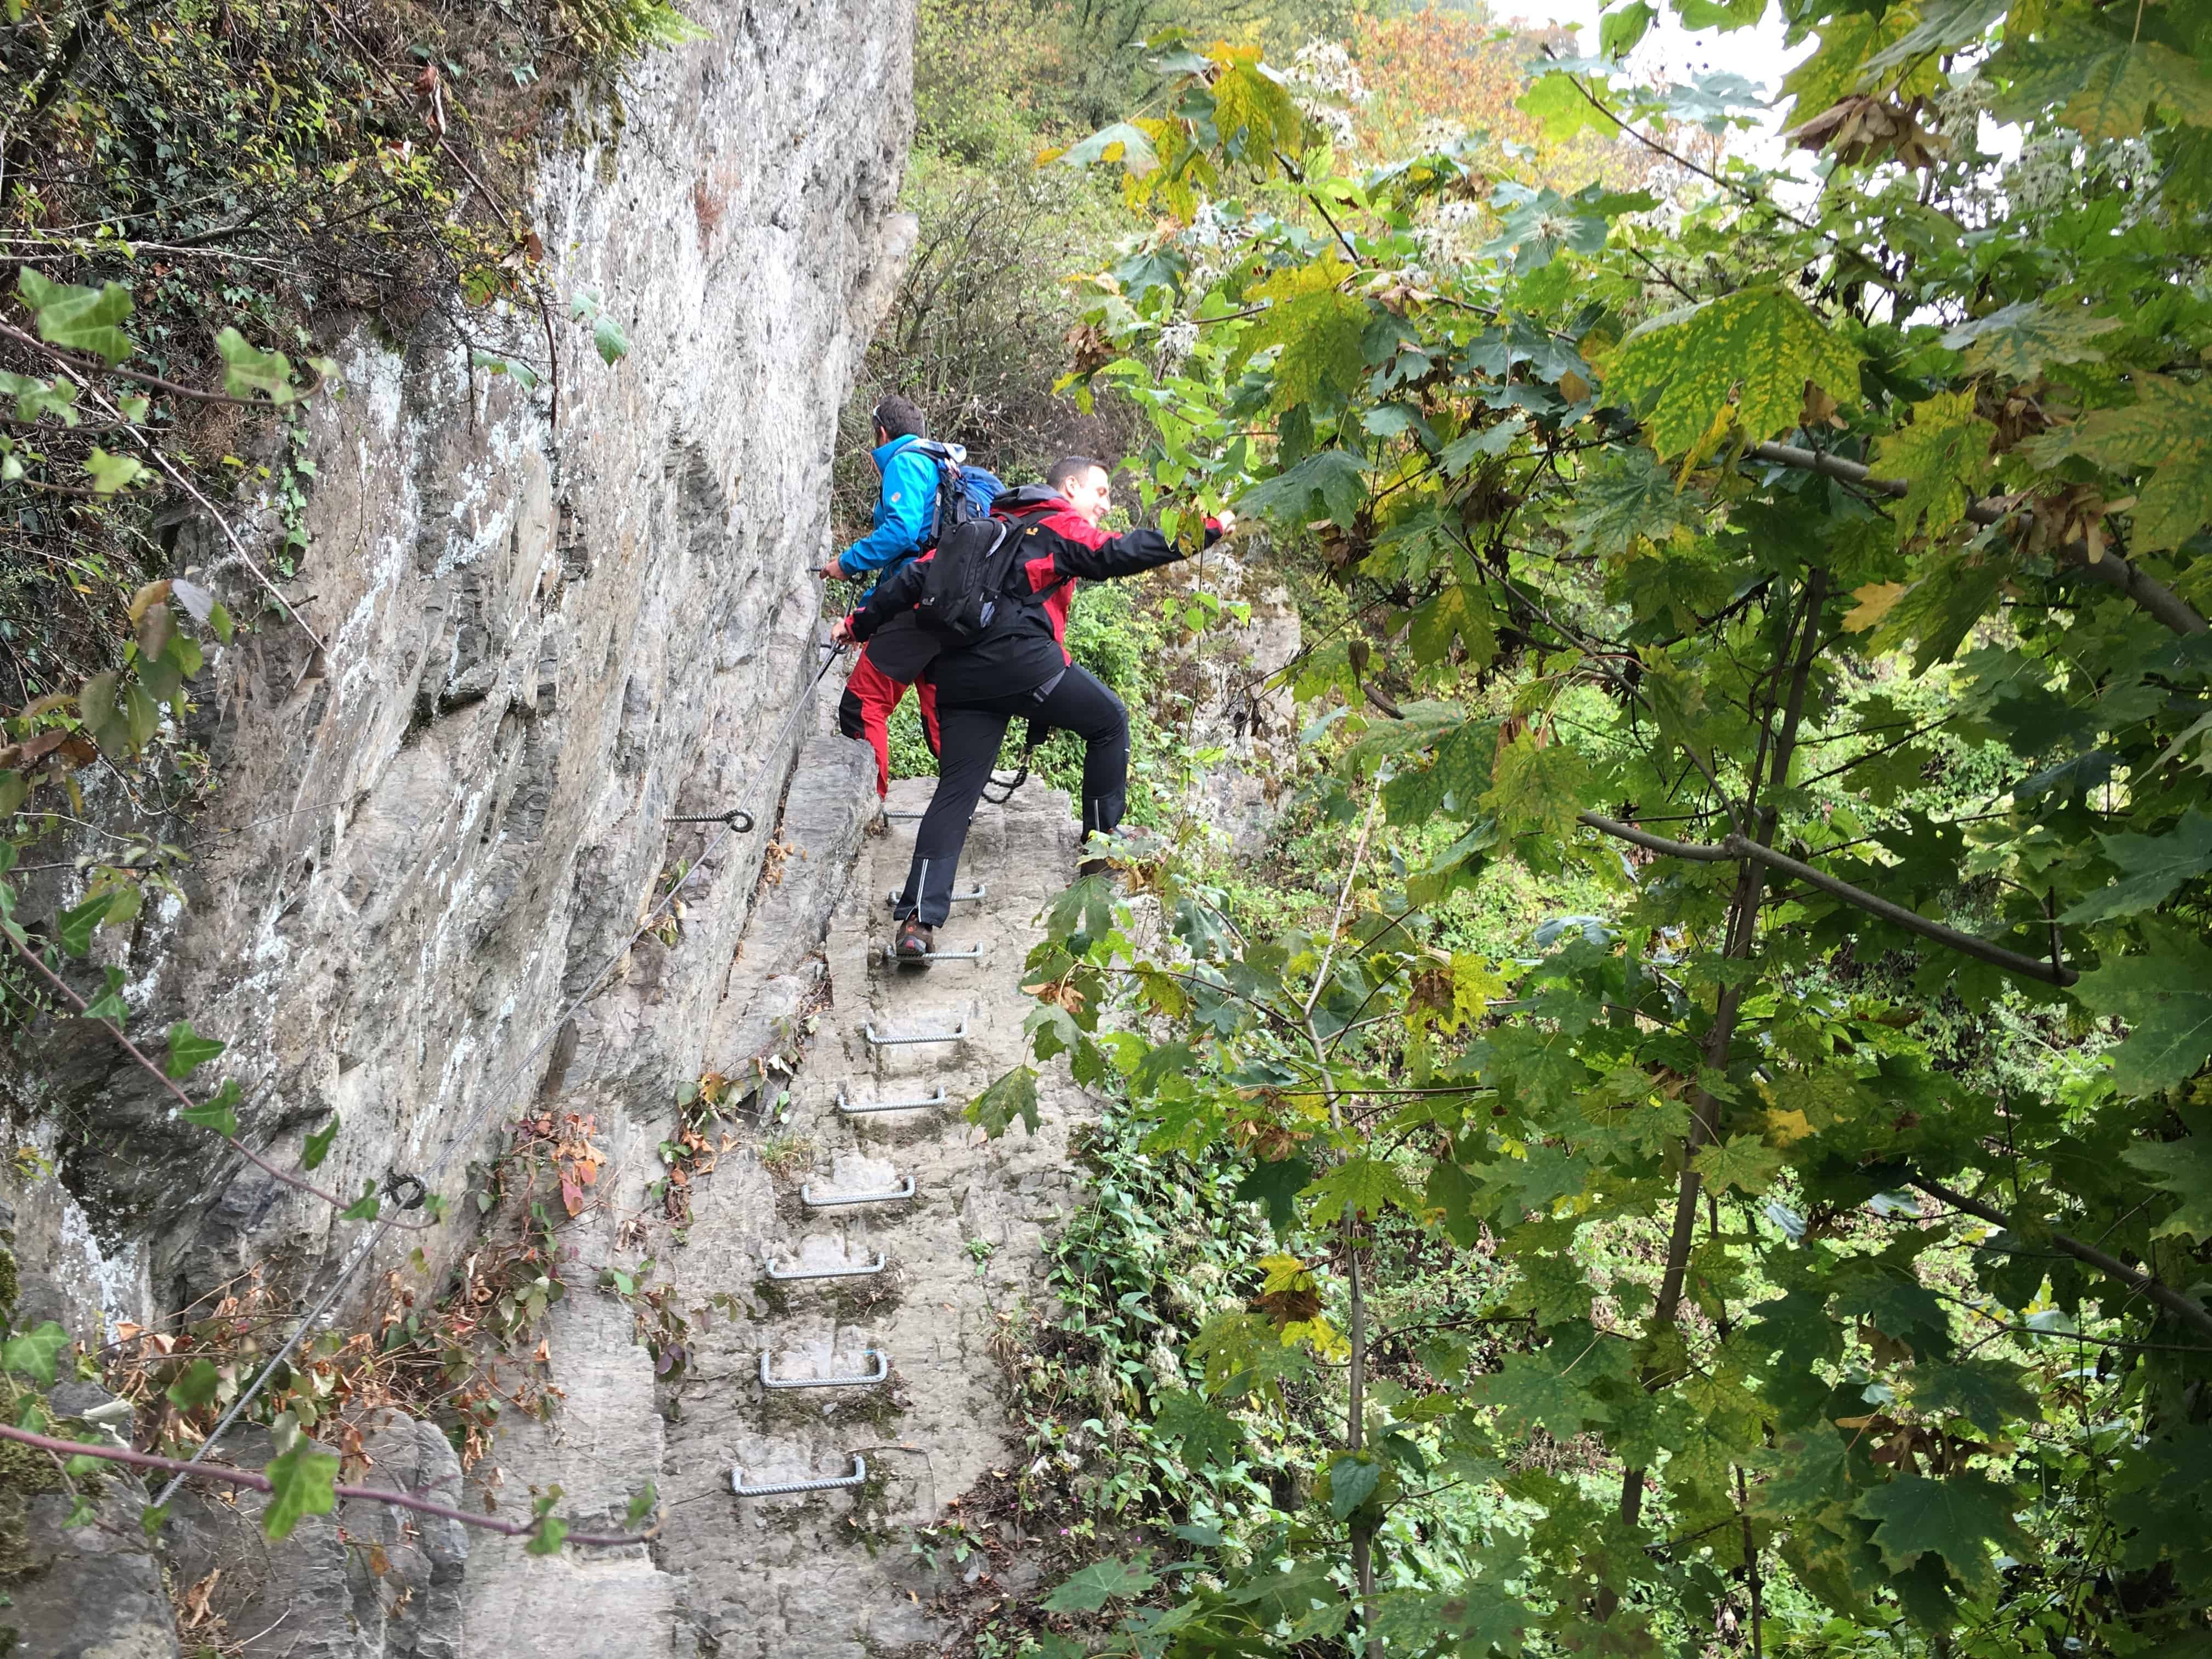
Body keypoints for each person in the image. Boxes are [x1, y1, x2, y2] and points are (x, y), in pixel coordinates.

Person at [832, 455, 1230, 961]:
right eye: (1100, 493)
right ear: (1068, 488)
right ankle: (1100, 850)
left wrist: (857, 624)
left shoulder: (983, 530)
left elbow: (910, 582)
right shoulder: (1059, 523)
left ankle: (916, 923)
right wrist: (1208, 531)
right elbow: (1117, 554)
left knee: (955, 796)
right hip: (1020, 664)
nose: (1105, 506)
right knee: (1110, 721)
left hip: (958, 678)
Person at [826, 394, 945, 798]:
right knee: (941, 719)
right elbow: (916, 556)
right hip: (950, 604)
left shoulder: (905, 462)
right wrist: (865, 614)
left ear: (881, 432)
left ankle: (869, 807)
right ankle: (965, 808)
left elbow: (901, 534)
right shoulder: (942, 466)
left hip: (917, 606)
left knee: (862, 706)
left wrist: (848, 562)